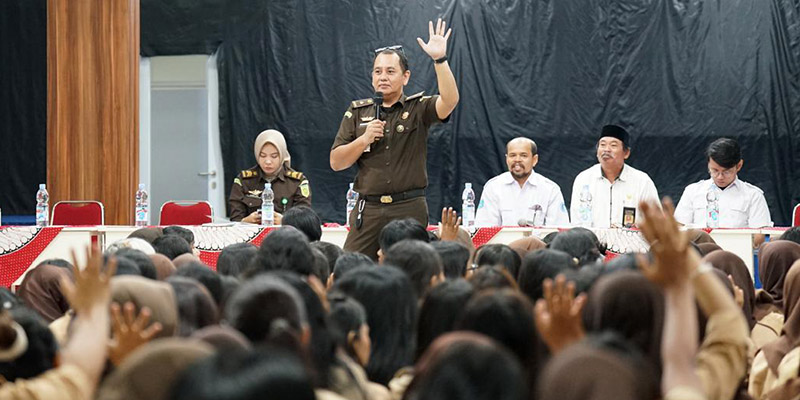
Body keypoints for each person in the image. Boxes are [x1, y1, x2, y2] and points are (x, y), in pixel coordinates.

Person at [329, 18, 459, 259]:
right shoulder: (357, 112)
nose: (383, 77)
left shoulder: (418, 107)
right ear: (371, 77)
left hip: (408, 207)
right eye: (377, 71)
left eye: (390, 71)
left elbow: (450, 101)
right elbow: (336, 162)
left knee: (412, 268)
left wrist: (439, 60)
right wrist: (364, 140)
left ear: (405, 77)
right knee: (350, 266)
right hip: (369, 208)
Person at [570, 125, 659, 228]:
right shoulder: (583, 179)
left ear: (626, 153)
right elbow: (576, 223)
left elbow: (656, 222)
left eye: (613, 145)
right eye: (602, 145)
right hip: (591, 238)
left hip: (630, 238)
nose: (606, 150)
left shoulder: (642, 181)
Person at [674, 138, 772, 228]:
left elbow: (761, 233)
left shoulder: (753, 195)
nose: (720, 177)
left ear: (739, 166)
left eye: (726, 172)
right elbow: (679, 227)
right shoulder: (692, 192)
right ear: (708, 164)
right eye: (715, 170)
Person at [475, 137, 569, 227]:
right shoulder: (493, 187)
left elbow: (558, 229)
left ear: (534, 160)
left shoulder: (550, 189)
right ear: (507, 159)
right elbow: (484, 228)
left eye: (523, 155)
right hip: (502, 239)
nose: (517, 160)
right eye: (512, 155)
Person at [229, 129, 311, 223]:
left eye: (274, 156)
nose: (268, 161)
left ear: (282, 155)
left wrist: (285, 221)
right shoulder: (244, 180)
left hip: (286, 232)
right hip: (252, 231)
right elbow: (235, 219)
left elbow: (304, 219)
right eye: (263, 156)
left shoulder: (297, 182)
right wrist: (245, 221)